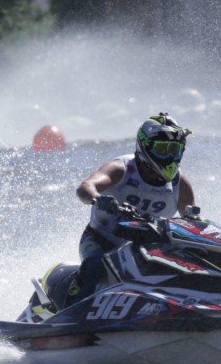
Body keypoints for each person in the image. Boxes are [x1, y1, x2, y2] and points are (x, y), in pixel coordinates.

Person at [72, 112, 197, 302]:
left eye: (175, 150)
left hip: (150, 247)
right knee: (95, 265)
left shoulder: (181, 183)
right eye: (163, 150)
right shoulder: (121, 169)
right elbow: (85, 188)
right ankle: (69, 314)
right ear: (145, 147)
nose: (170, 157)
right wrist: (97, 199)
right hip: (103, 240)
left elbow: (191, 222)